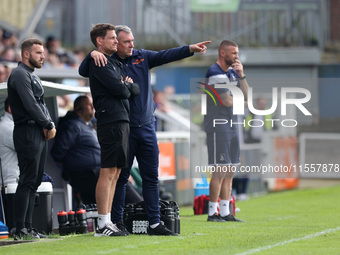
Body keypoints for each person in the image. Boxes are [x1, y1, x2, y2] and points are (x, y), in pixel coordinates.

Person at [79, 24, 210, 236]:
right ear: (115, 43)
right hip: (124, 127)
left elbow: (166, 55)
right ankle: (116, 222)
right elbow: (84, 70)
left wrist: (189, 49)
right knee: (120, 177)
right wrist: (92, 53)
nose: (132, 45)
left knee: (151, 178)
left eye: (132, 41)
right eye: (126, 41)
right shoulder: (106, 60)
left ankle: (155, 223)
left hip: (147, 127)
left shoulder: (141, 57)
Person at [85, 23, 140, 237]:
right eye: (112, 38)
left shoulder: (113, 62)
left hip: (121, 121)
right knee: (108, 172)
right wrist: (124, 85)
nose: (116, 41)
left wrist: (125, 86)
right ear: (100, 41)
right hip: (111, 121)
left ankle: (107, 221)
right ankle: (102, 224)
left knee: (116, 173)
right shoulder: (99, 62)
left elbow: (133, 88)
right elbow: (123, 90)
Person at [7, 38, 56, 239]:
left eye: (43, 53)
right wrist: (49, 124)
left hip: (37, 131)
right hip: (27, 131)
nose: (43, 56)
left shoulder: (31, 76)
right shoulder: (19, 74)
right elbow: (30, 105)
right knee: (27, 180)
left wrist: (46, 123)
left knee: (35, 181)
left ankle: (29, 228)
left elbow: (41, 105)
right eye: (38, 53)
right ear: (26, 54)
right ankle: (20, 229)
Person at [203, 40, 248, 222]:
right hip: (218, 125)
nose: (236, 56)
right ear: (222, 53)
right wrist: (241, 100)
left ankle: (225, 211)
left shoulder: (231, 73)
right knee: (219, 169)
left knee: (230, 170)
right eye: (233, 53)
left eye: (237, 53)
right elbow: (227, 101)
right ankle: (212, 212)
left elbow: (247, 95)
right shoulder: (215, 73)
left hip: (231, 125)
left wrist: (242, 75)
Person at [51, 95, 100, 206]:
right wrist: (74, 163)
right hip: (87, 175)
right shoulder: (73, 126)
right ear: (78, 109)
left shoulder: (88, 126)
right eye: (89, 104)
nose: (93, 107)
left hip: (95, 173)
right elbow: (57, 152)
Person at [0, 98, 19, 186]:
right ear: (11, 108)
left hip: (10, 183)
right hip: (10, 184)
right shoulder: (8, 127)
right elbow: (30, 148)